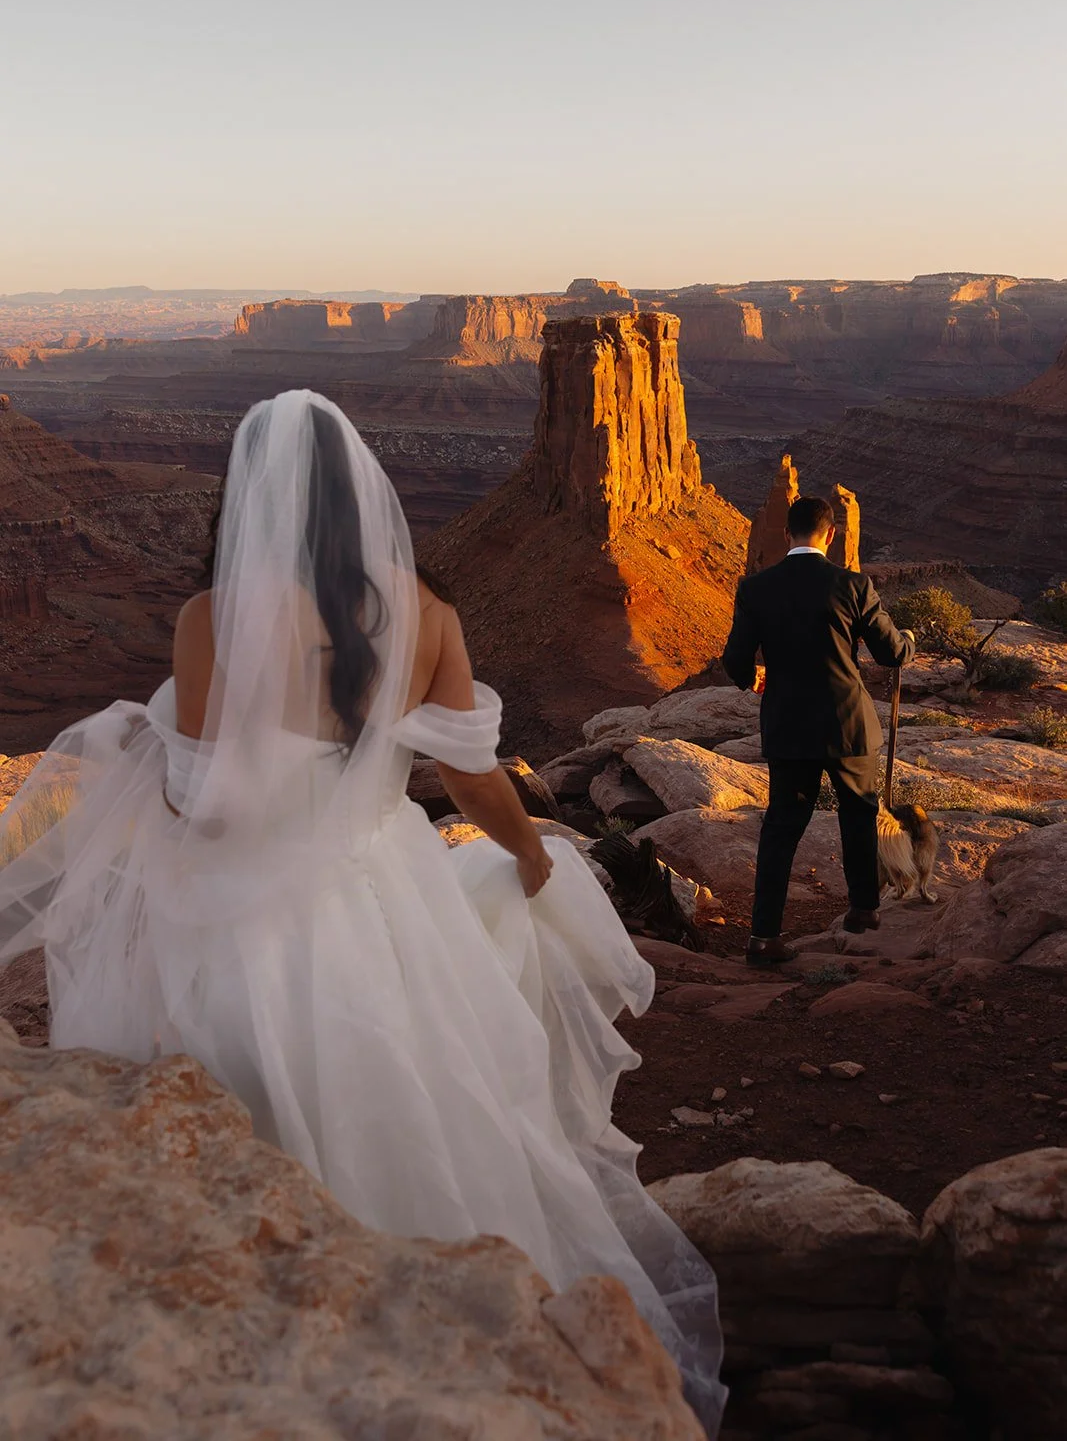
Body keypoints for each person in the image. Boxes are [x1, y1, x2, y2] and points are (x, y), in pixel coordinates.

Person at [0, 390, 726, 1434]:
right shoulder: (430, 613)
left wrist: (143, 765)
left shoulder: (210, 619)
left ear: (250, 495)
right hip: (385, 893)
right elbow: (470, 778)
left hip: (248, 919)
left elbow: (202, 810)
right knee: (412, 1092)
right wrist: (528, 853)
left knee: (255, 1106)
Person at [722, 496, 915, 968]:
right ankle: (863, 910)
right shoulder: (853, 584)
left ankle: (763, 937)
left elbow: (735, 662)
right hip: (847, 722)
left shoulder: (756, 588)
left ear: (786, 535)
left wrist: (757, 679)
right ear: (830, 536)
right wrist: (909, 641)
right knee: (859, 814)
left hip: (788, 726)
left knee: (781, 829)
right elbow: (892, 654)